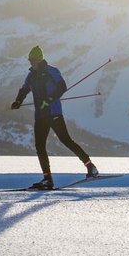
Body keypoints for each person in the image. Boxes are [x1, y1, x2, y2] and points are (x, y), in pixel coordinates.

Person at [11, 45, 98, 189]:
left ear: (39, 58)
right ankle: (47, 179)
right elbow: (24, 89)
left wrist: (49, 99)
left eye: (32, 59)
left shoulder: (52, 71)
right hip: (40, 116)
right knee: (40, 147)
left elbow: (62, 87)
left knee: (66, 141)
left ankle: (91, 167)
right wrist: (18, 101)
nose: (30, 62)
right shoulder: (31, 75)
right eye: (29, 60)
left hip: (54, 113)